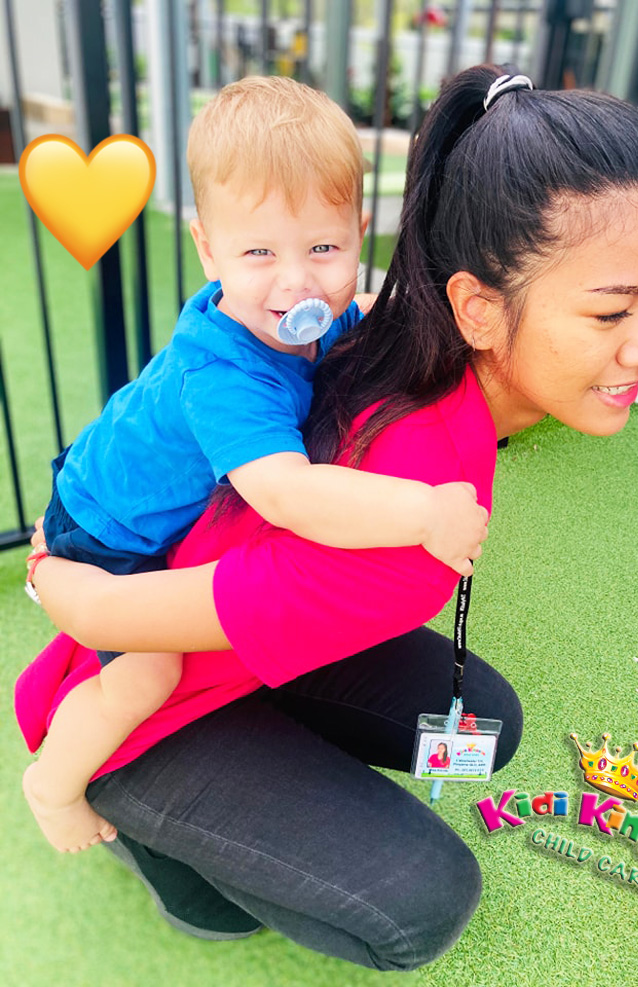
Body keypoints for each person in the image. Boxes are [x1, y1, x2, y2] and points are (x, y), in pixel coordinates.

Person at [17, 64, 638, 971]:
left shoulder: (378, 332)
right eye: (611, 309)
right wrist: (54, 577)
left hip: (204, 596)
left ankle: (258, 750)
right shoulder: (385, 519)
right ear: (474, 305)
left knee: (484, 725)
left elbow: (358, 312)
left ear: (358, 238)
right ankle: (90, 790)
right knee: (376, 909)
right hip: (126, 637)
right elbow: (255, 518)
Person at [21, 76, 488, 856]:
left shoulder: (308, 312)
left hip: (143, 493)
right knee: (146, 676)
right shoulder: (228, 376)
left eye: (323, 248)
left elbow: (362, 312)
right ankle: (55, 783)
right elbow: (285, 492)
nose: (297, 281)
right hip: (106, 529)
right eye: (259, 252)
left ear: (358, 232)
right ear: (209, 249)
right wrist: (423, 512)